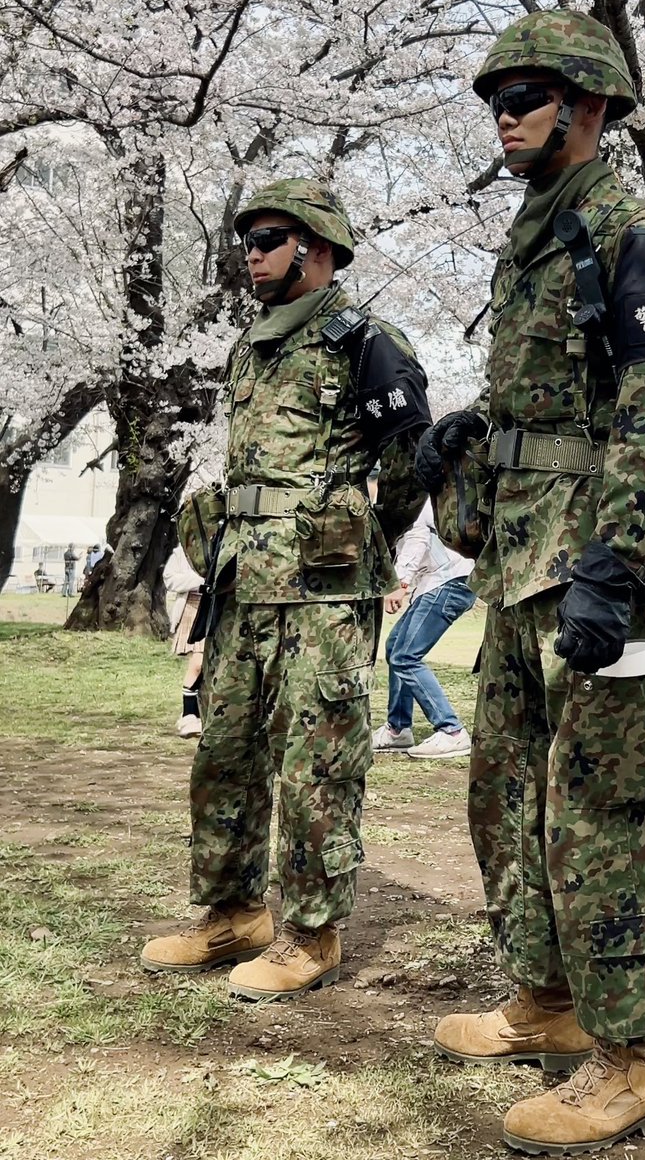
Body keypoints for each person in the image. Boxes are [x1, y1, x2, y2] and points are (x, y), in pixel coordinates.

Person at [416, 10, 645, 1156]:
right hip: (520, 568)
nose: (507, 114)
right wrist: (476, 436)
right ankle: (548, 997)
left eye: (528, 94)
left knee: (604, 814)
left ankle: (634, 1060)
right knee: (504, 794)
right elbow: (558, 402)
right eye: (498, 97)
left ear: (590, 109)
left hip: (595, 576)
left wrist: (618, 567)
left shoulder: (633, 239)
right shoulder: (537, 239)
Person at [140, 178, 430, 1001]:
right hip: (244, 584)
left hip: (323, 594)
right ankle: (233, 912)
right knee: (225, 752)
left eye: (267, 239)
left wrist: (357, 536)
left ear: (317, 247)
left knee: (317, 762)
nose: (251, 255)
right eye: (248, 241)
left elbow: (409, 463)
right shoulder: (252, 346)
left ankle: (311, 931)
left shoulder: (367, 340)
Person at [372, 500, 476, 758]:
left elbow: (418, 537)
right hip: (440, 582)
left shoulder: (413, 501)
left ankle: (452, 732)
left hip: (449, 582)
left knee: (405, 656)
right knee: (395, 647)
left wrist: (400, 582)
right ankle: (398, 729)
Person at [163, 546, 205, 739]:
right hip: (192, 607)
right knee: (198, 663)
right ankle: (189, 714)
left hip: (219, 609)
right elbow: (170, 579)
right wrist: (200, 580)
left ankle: (199, 713)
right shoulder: (181, 551)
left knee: (210, 666)